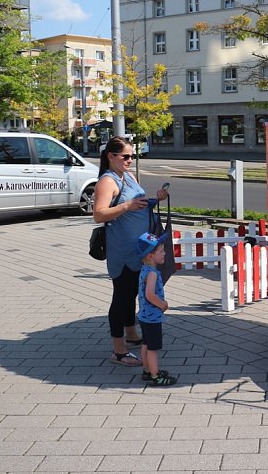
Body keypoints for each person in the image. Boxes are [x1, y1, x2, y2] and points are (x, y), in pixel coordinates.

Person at [93, 135, 168, 367]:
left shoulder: (128, 176)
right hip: (123, 250)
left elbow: (139, 203)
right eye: (125, 156)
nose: (130, 159)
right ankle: (118, 350)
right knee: (122, 297)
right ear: (111, 156)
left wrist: (156, 199)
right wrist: (127, 206)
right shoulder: (107, 181)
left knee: (133, 293)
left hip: (140, 248)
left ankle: (132, 334)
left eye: (132, 155)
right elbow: (99, 214)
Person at [135, 232, 176, 386]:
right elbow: (150, 294)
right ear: (151, 256)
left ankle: (147, 370)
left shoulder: (145, 270)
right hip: (152, 318)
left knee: (146, 344)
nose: (164, 253)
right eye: (161, 251)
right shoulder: (152, 274)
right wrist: (162, 304)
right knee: (153, 348)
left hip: (144, 316)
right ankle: (155, 375)